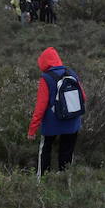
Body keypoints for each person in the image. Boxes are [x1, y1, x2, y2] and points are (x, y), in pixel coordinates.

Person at [28, 46, 85, 175]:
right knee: (67, 153)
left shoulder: (46, 78)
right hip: (72, 122)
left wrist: (32, 129)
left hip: (52, 124)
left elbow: (40, 107)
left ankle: (42, 182)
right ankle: (65, 183)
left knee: (45, 151)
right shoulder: (71, 73)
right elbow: (83, 97)